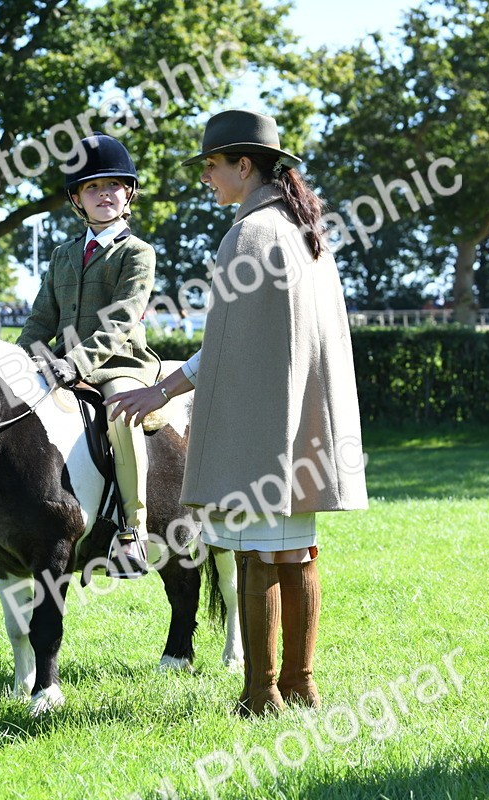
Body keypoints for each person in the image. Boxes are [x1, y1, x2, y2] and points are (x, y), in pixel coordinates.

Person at [107, 110, 368, 716]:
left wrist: (162, 391)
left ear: (243, 165)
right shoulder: (305, 231)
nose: (206, 177)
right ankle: (300, 685)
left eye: (211, 165)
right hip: (303, 425)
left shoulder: (250, 234)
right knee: (297, 549)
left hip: (261, 429)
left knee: (254, 552)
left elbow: (223, 345)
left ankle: (262, 693)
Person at [17, 133, 161, 579]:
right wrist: (18, 365)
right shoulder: (62, 255)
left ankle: (133, 531)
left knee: (121, 415)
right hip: (61, 366)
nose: (104, 194)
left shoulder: (138, 253)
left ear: (128, 192)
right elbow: (41, 320)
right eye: (92, 187)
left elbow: (120, 322)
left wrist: (74, 364)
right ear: (77, 199)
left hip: (120, 366)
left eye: (113, 185)